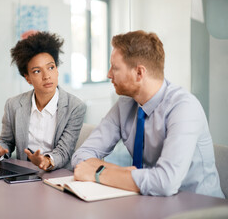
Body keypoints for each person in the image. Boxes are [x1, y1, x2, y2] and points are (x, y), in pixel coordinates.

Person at [72, 30, 224, 198]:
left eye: (115, 68)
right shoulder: (125, 104)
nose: (109, 74)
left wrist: (98, 174)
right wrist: (123, 173)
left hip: (199, 207)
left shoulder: (184, 107)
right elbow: (81, 157)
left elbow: (165, 183)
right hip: (151, 201)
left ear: (139, 73)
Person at [0, 31, 86, 171]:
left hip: (57, 175)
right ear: (27, 78)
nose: (46, 76)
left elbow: (64, 151)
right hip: (23, 174)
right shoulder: (13, 104)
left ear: (57, 70)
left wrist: (45, 160)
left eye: (51, 67)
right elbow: (7, 141)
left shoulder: (75, 107)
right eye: (37, 71)